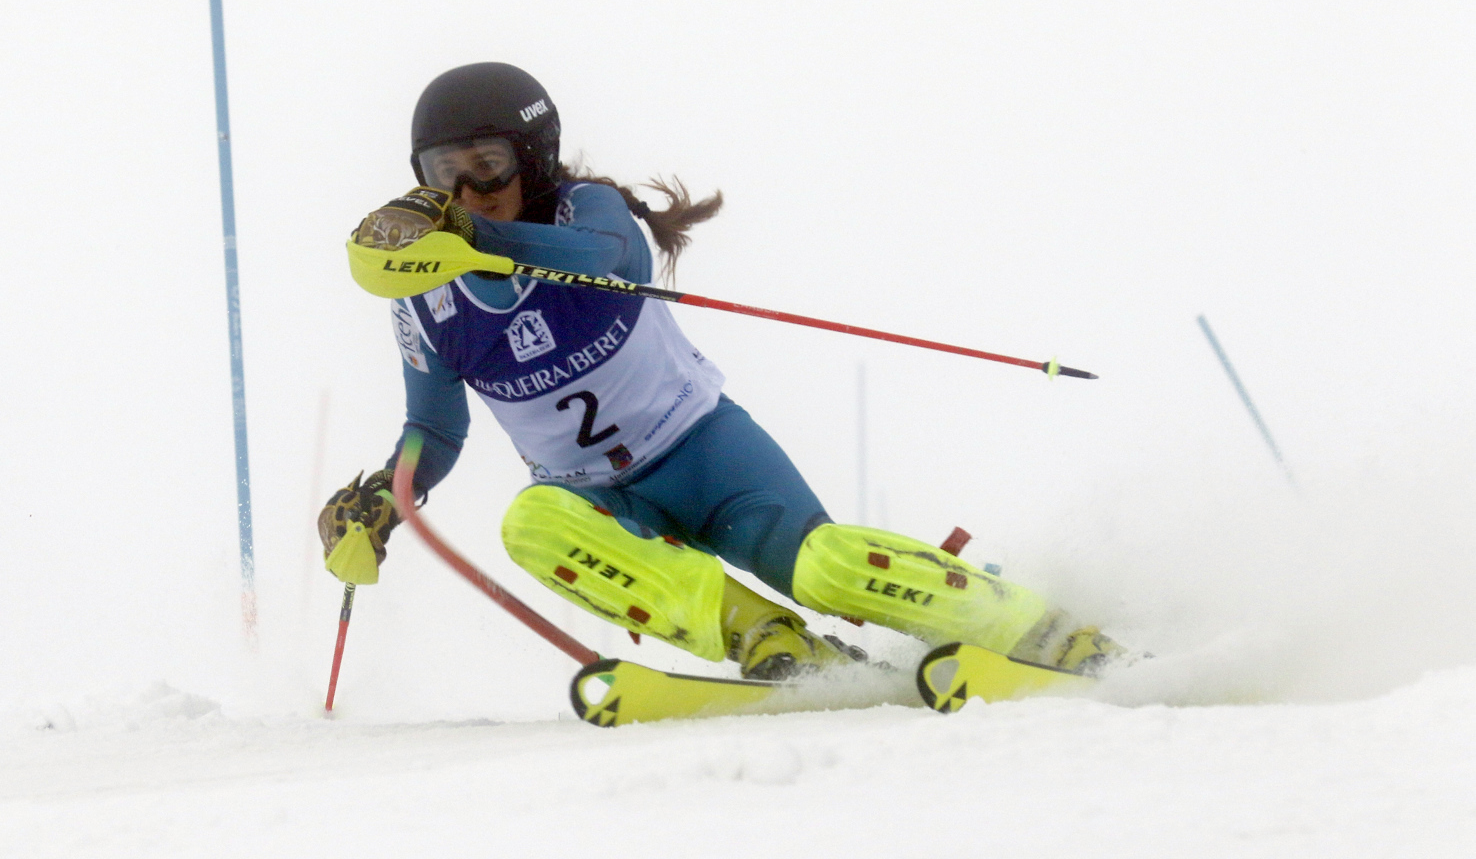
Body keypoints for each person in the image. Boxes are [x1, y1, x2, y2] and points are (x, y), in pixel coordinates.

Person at [320, 62, 1124, 680]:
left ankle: (1043, 630)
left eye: (487, 165)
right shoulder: (426, 300)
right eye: (441, 172)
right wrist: (388, 496)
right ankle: (765, 639)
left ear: (533, 158)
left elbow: (615, 256)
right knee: (529, 523)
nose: (465, 193)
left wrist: (479, 243)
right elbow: (435, 425)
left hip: (706, 454)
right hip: (597, 500)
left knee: (828, 565)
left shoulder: (582, 211)